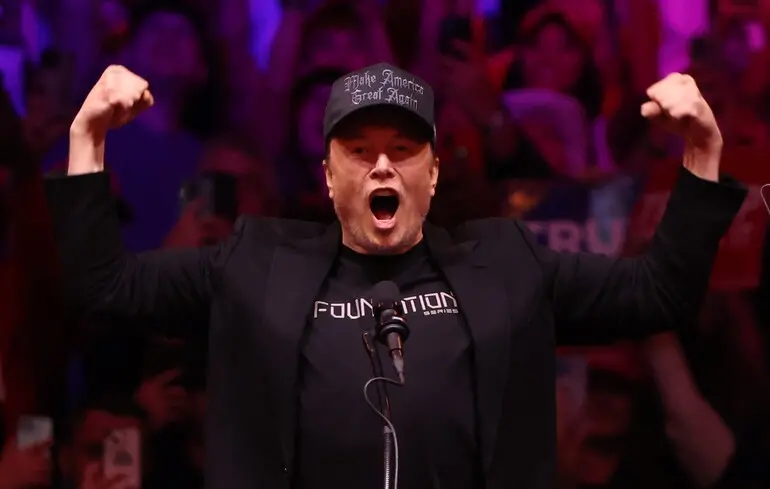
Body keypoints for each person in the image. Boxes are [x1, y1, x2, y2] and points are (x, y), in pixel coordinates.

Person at [46, 61, 746, 489]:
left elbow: (661, 293)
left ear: (432, 174)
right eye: (358, 149)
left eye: (404, 149)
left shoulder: (508, 263)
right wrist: (87, 140)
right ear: (328, 176)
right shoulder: (253, 262)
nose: (382, 164)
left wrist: (703, 152)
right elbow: (104, 290)